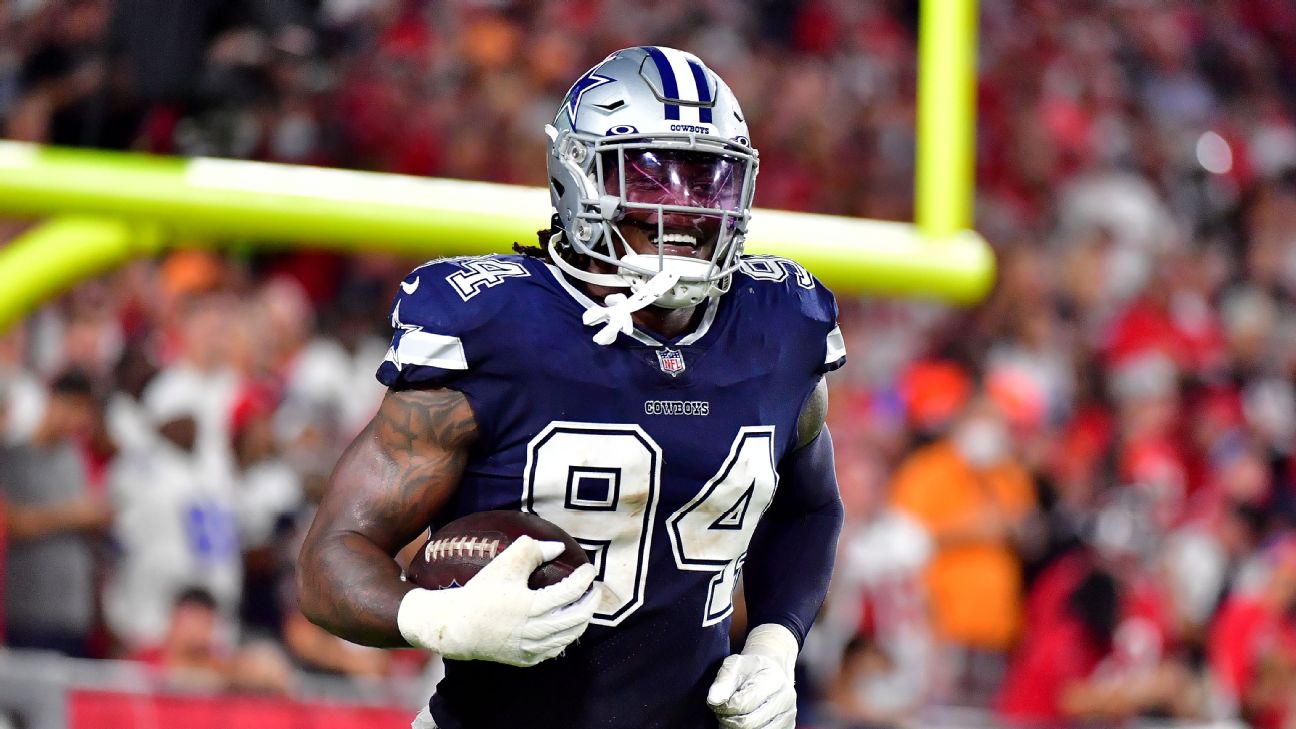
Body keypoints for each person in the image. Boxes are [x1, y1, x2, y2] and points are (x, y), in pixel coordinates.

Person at [298, 46, 846, 729]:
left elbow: (811, 508)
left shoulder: (778, 325)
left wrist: (774, 640)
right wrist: (438, 618)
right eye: (649, 175)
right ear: (578, 176)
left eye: (708, 182)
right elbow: (331, 557)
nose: (687, 210)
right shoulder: (496, 325)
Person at [0, 369, 112, 656]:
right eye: (74, 407)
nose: (80, 420)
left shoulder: (74, 459)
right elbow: (11, 523)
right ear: (52, 402)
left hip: (74, 612)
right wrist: (73, 516)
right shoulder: (14, 457)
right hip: (29, 609)